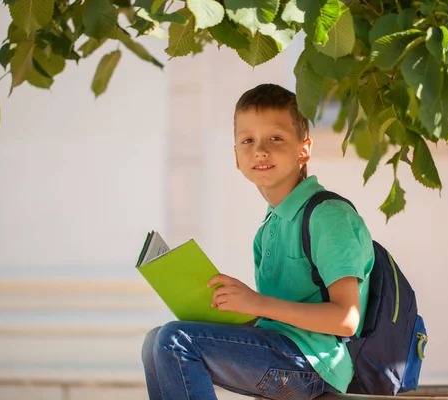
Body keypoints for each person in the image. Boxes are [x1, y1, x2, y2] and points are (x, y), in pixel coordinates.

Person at [141, 83, 375, 400]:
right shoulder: (270, 225)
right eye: (247, 141)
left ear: (303, 150)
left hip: (315, 365)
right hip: (280, 349)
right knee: (155, 341)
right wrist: (231, 308)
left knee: (174, 340)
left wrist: (256, 302)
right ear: (237, 157)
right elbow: (274, 314)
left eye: (275, 138)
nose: (260, 150)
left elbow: (346, 319)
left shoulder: (328, 216)